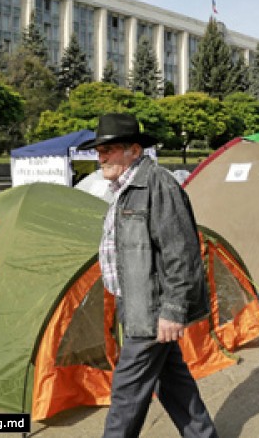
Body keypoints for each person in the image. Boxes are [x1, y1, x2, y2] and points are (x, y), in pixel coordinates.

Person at [78, 113, 218, 438]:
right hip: (135, 302)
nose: (101, 156)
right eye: (99, 150)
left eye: (109, 149)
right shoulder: (123, 188)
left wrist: (172, 311)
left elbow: (181, 252)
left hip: (153, 311)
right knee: (174, 384)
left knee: (127, 393)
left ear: (134, 150)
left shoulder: (158, 184)